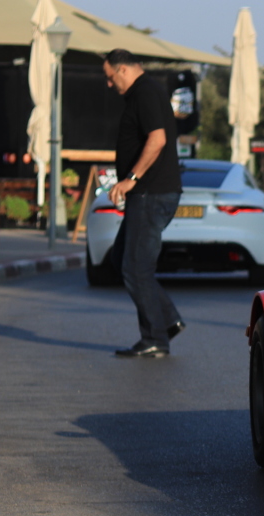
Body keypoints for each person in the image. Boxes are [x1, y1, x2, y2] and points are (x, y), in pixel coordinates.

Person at [102, 48, 186, 358]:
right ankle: (167, 320)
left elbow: (158, 139)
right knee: (122, 257)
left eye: (110, 78)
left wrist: (131, 179)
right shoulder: (143, 92)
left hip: (151, 193)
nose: (110, 85)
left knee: (136, 268)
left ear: (123, 70)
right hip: (147, 194)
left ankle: (155, 339)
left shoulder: (146, 92)